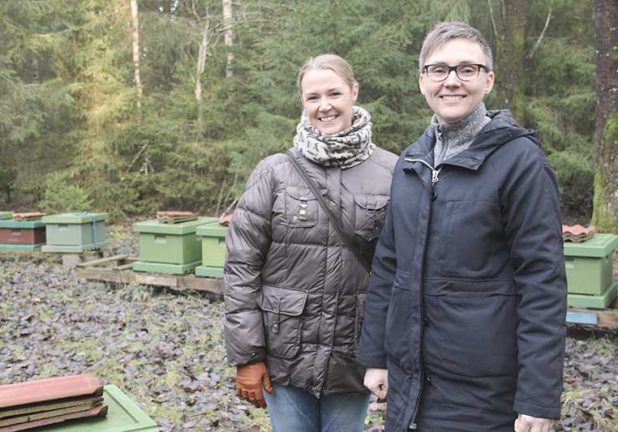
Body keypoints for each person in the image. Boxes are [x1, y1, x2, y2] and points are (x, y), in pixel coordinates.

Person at [358, 22, 567, 432]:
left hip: (483, 395)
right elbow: (388, 267)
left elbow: (542, 283)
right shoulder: (412, 162)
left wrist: (538, 398)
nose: (451, 81)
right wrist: (376, 356)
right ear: (422, 82)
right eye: (439, 70)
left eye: (466, 70)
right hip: (411, 387)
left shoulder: (520, 162)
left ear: (487, 81)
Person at [223, 53, 398, 432]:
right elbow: (241, 269)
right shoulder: (274, 172)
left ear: (354, 92)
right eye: (312, 97)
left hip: (353, 358)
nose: (325, 106)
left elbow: (401, 272)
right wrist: (248, 355)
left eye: (334, 93)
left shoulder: (393, 173)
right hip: (284, 355)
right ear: (302, 103)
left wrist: (387, 354)